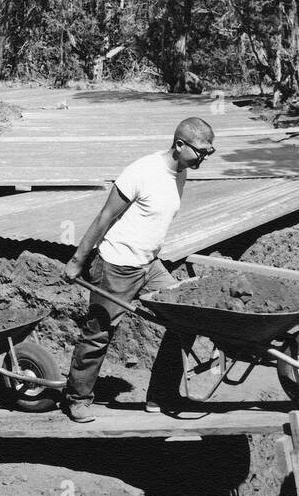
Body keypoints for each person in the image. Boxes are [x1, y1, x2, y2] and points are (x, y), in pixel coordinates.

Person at [60, 116, 216, 422]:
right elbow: (105, 217)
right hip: (116, 264)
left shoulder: (181, 172)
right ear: (179, 144)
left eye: (208, 152)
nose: (203, 157)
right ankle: (76, 398)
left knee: (186, 318)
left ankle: (161, 394)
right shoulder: (142, 171)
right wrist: (78, 259)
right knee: (99, 333)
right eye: (199, 151)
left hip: (150, 266)